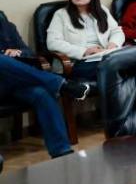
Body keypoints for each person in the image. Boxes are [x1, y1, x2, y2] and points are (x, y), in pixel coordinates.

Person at [0, 11, 86, 158]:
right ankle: (60, 84)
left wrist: (18, 52)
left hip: (15, 82)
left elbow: (28, 52)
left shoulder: (7, 26)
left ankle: (61, 151)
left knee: (41, 94)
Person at [46, 0, 125, 81]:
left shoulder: (101, 10)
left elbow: (117, 31)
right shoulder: (61, 15)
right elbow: (52, 42)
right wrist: (84, 51)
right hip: (77, 62)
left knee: (129, 62)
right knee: (111, 68)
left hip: (103, 56)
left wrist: (113, 44)